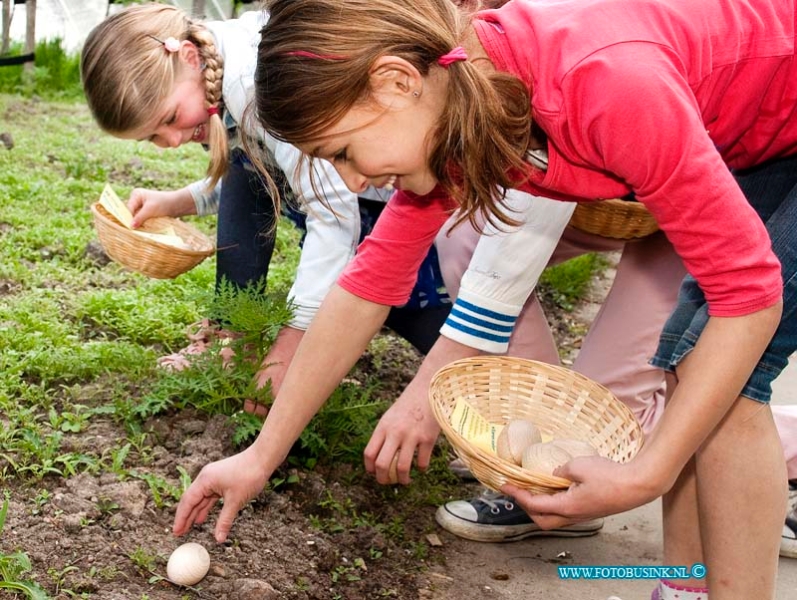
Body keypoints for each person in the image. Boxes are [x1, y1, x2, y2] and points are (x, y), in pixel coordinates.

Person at [173, 1, 797, 598]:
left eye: (342, 151)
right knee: (695, 362)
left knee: (733, 380)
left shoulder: (603, 84)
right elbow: (367, 287)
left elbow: (751, 296)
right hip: (757, 130)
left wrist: (644, 473)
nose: (354, 181)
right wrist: (259, 457)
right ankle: (684, 587)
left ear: (395, 82)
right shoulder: (460, 106)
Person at [80, 3, 451, 399]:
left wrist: (291, 347)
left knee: (421, 314)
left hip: (392, 197)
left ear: (189, 56)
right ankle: (234, 331)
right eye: (152, 137)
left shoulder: (255, 86)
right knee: (246, 166)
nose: (170, 141)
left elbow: (332, 214)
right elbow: (271, 177)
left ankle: (481, 374)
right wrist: (176, 202)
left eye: (169, 118)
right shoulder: (219, 65)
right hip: (362, 198)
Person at [429, 201, 797, 559]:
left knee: (624, 423)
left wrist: (647, 477)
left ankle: (780, 453)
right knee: (467, 233)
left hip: (692, 200)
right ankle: (542, 477)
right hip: (610, 199)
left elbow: (750, 295)